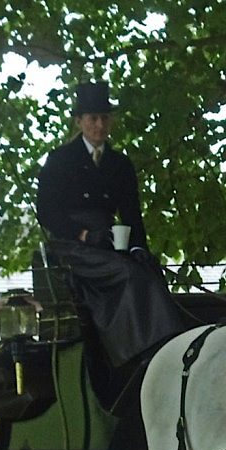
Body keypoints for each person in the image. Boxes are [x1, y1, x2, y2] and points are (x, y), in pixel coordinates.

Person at [35, 81, 185, 374]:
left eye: (105, 117)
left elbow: (131, 213)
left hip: (110, 240)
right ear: (79, 121)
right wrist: (83, 234)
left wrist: (139, 247)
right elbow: (47, 212)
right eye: (92, 118)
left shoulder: (120, 164)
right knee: (126, 273)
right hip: (72, 245)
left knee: (148, 270)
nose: (99, 124)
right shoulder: (60, 160)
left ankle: (169, 344)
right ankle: (134, 352)